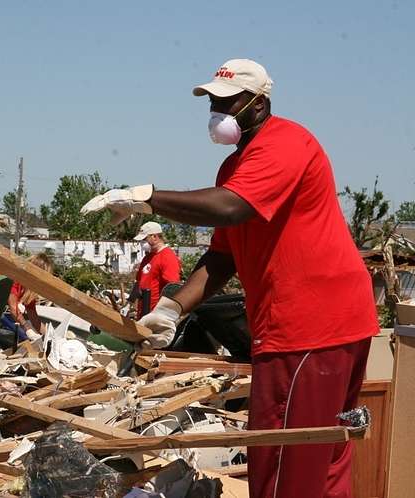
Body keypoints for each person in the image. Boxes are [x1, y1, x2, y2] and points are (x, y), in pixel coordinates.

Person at [81, 59, 378, 498]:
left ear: (259, 105)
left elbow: (229, 207)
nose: (216, 112)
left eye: (227, 102)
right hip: (329, 323)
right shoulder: (236, 167)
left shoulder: (285, 143)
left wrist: (147, 198)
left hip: (307, 326)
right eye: (212, 103)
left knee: (284, 461)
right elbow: (223, 257)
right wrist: (173, 307)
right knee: (323, 453)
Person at [131, 221, 181, 323]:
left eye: (145, 239)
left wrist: (162, 314)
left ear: (154, 237)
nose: (143, 243)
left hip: (156, 316)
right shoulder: (147, 258)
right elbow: (139, 282)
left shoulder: (168, 256)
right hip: (142, 313)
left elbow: (172, 289)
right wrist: (129, 303)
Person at [4, 253, 54, 342]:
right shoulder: (16, 279)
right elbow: (13, 308)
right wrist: (28, 328)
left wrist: (49, 336)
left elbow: (34, 317)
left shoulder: (28, 290)